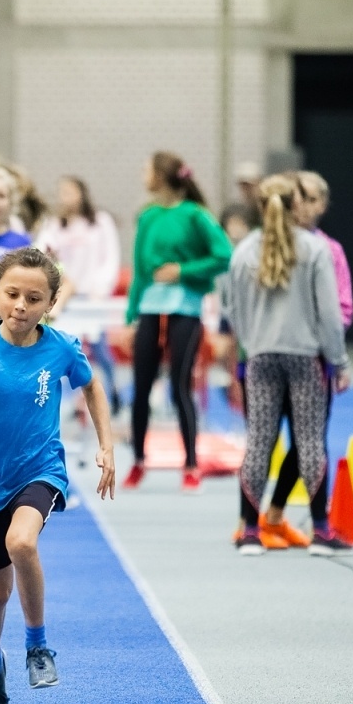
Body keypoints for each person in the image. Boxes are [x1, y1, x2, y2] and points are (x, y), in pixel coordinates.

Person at [0, 247, 115, 704]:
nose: (20, 305)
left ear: (49, 304)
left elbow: (92, 386)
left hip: (39, 470)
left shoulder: (59, 347)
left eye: (33, 298)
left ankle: (37, 644)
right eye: (11, 294)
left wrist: (106, 446)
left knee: (22, 542)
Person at [226, 175, 351, 556]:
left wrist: (252, 346)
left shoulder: (244, 251)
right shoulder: (315, 249)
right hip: (304, 358)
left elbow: (235, 311)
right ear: (296, 204)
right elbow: (329, 314)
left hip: (262, 357)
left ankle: (249, 529)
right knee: (311, 440)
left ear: (260, 208)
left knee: (260, 442)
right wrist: (338, 360)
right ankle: (321, 530)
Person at [124, 152, 233, 493]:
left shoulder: (196, 215)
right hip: (150, 310)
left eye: (147, 169)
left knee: (180, 386)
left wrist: (183, 271)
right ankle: (138, 460)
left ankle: (190, 463)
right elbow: (140, 271)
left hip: (185, 309)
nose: (143, 174)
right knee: (140, 386)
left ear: (163, 176)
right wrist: (131, 317)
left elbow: (223, 256)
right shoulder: (147, 216)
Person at [36, 176, 121, 413]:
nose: (66, 197)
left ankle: (112, 391)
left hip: (92, 297)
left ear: (82, 193)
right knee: (68, 349)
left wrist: (101, 288)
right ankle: (71, 402)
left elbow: (110, 257)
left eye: (70, 191)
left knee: (100, 348)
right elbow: (42, 252)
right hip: (64, 299)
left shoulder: (100, 223)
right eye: (61, 192)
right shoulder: (53, 225)